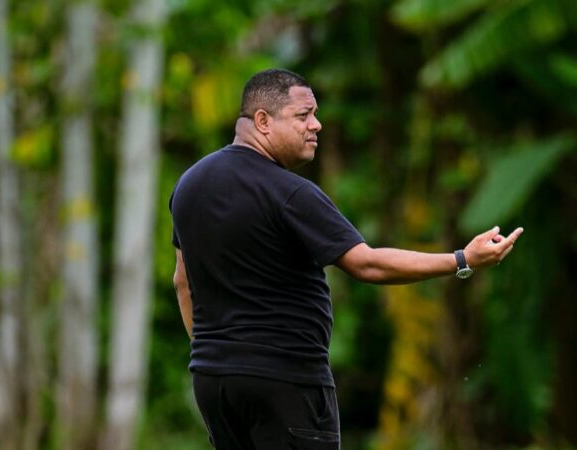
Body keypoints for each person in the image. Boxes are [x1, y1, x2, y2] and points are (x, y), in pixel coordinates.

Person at [169, 68, 523, 450]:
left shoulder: (189, 185)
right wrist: (461, 259)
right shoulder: (289, 193)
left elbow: (182, 282)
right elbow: (366, 264)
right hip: (285, 382)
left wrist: (217, 355)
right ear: (262, 121)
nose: (316, 125)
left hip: (214, 383)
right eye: (303, 116)